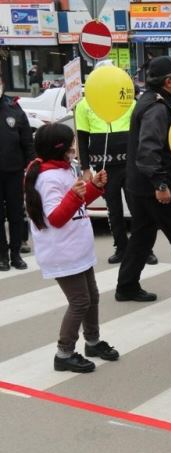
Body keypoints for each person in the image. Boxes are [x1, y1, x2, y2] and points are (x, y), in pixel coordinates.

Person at [24, 123, 120, 373]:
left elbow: (78, 203)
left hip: (77, 247)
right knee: (80, 302)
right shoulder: (47, 178)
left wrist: (94, 187)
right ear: (59, 148)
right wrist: (75, 195)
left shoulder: (65, 169)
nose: (74, 147)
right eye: (70, 144)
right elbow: (56, 217)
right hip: (62, 251)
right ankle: (64, 352)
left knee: (92, 297)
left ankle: (93, 341)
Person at [114, 57, 171, 312]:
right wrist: (161, 184)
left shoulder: (150, 101)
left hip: (140, 185)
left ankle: (126, 285)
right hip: (154, 187)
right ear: (169, 81)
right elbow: (149, 150)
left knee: (142, 236)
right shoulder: (157, 107)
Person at [76, 71, 158, 266]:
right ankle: (121, 247)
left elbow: (140, 132)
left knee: (138, 208)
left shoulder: (128, 101)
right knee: (114, 210)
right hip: (104, 166)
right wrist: (86, 168)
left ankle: (146, 250)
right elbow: (81, 137)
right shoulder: (83, 105)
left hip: (130, 164)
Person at [0, 77, 34, 271]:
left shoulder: (14, 108)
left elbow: (27, 141)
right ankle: (2, 255)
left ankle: (15, 254)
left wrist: (32, 166)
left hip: (14, 172)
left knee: (15, 215)